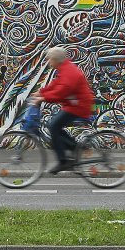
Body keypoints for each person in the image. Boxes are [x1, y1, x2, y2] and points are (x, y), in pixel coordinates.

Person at [29, 46, 94, 174]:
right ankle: (77, 148)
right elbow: (56, 84)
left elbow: (61, 92)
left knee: (53, 126)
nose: (49, 62)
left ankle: (63, 161)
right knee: (54, 126)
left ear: (55, 59)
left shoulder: (69, 72)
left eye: (50, 60)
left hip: (80, 105)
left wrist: (42, 98)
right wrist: (41, 92)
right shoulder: (64, 69)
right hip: (74, 104)